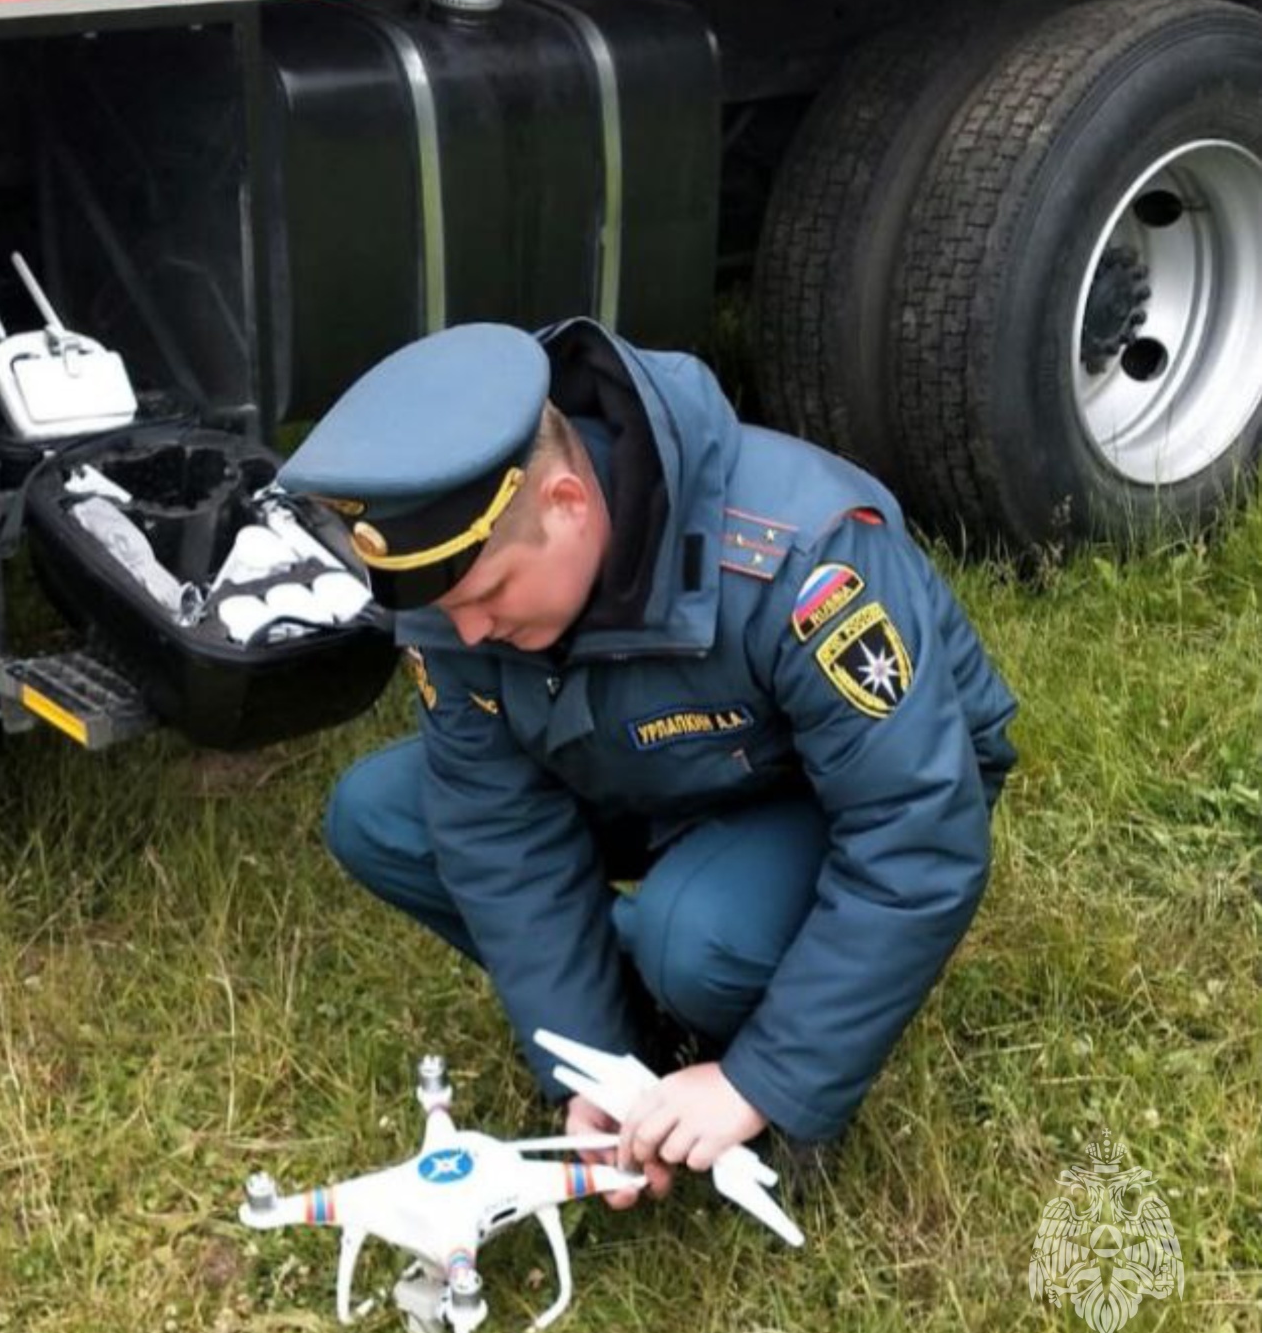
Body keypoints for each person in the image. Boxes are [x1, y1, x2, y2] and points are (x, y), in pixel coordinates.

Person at [280, 318, 1016, 1200]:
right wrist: (593, 1067)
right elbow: (495, 828)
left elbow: (919, 829)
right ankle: (653, 1051)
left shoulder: (801, 558)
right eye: (449, 610)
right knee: (383, 815)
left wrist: (759, 1082)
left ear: (567, 502)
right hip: (646, 761)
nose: (468, 632)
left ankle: (756, 1050)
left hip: (831, 787)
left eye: (490, 596)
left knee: (695, 937)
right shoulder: (457, 587)